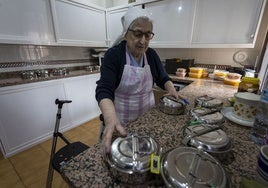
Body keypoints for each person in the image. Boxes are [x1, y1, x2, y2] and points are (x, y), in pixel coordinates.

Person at [95, 6, 185, 154]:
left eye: (148, 35)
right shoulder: (114, 56)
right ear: (126, 34)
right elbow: (104, 89)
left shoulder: (151, 55)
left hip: (145, 121)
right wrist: (110, 119)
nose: (143, 41)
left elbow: (163, 78)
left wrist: (172, 90)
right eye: (138, 34)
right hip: (120, 122)